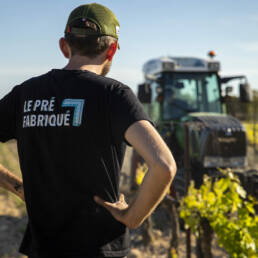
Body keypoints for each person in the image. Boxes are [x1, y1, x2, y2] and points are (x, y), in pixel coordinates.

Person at [0, 3, 176, 258]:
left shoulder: (25, 94)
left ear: (64, 46)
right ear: (112, 49)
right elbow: (164, 166)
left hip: (43, 248)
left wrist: (19, 187)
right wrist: (132, 216)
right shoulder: (114, 96)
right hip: (101, 248)